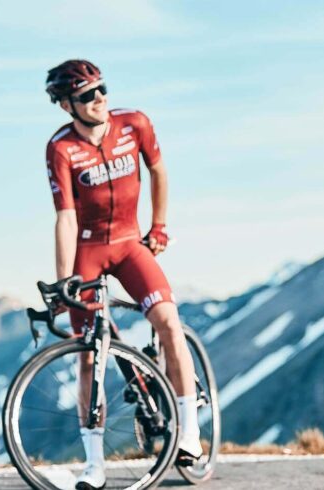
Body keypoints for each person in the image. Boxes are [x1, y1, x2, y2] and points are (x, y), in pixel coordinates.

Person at [44, 59, 202, 490]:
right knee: (87, 355)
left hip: (131, 245)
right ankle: (94, 465)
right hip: (89, 250)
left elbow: (158, 170)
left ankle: (190, 431)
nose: (99, 99)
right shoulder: (61, 148)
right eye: (87, 95)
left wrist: (160, 226)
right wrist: (64, 281)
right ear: (66, 105)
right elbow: (65, 218)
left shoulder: (135, 124)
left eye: (102, 89)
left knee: (169, 322)